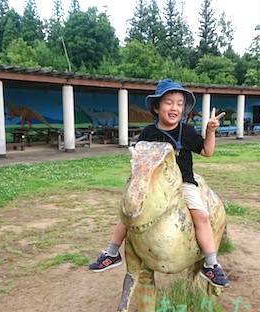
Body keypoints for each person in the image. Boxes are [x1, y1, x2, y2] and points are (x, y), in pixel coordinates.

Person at [88, 79, 229, 287]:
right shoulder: (148, 133)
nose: (175, 108)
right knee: (129, 212)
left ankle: (210, 263)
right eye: (169, 102)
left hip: (183, 184)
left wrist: (210, 131)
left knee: (201, 215)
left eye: (179, 104)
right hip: (156, 186)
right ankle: (111, 252)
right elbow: (140, 161)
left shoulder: (187, 131)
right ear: (157, 107)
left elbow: (207, 152)